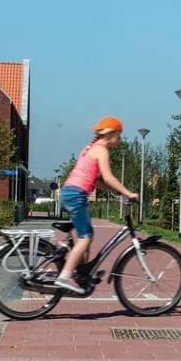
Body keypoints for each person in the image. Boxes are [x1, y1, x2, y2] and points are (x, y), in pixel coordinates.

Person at [55, 116, 138, 294]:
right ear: (111, 134)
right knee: (86, 238)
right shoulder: (101, 150)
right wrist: (128, 193)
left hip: (71, 192)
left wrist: (117, 191)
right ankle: (65, 276)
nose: (120, 139)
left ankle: (80, 273)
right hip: (76, 194)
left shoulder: (91, 149)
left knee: (86, 239)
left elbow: (98, 181)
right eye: (119, 135)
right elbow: (108, 177)